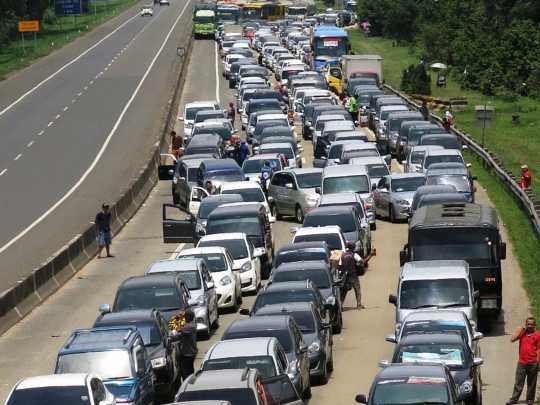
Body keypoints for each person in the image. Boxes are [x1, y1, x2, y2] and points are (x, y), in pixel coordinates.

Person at [506, 317, 540, 405]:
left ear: (534, 325)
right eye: (528, 324)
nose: (530, 326)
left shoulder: (537, 335)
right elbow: (512, 339)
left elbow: (539, 348)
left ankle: (530, 400)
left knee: (532, 383)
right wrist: (521, 330)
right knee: (518, 382)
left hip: (533, 363)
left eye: (532, 324)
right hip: (522, 362)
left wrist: (537, 360)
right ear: (526, 324)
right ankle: (514, 399)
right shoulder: (522, 333)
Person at [339, 241, 376, 309]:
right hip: (353, 275)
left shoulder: (342, 255)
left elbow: (340, 266)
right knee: (357, 290)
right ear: (353, 247)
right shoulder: (354, 255)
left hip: (344, 277)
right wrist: (371, 255)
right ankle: (359, 305)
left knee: (343, 291)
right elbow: (363, 261)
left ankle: (340, 306)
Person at [177, 309, 198, 382]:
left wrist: (179, 319)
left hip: (187, 354)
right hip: (191, 352)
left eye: (185, 317)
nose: (184, 318)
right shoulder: (193, 324)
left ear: (188, 318)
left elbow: (179, 329)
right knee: (190, 370)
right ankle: (192, 383)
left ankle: (187, 384)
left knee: (185, 372)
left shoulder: (189, 327)